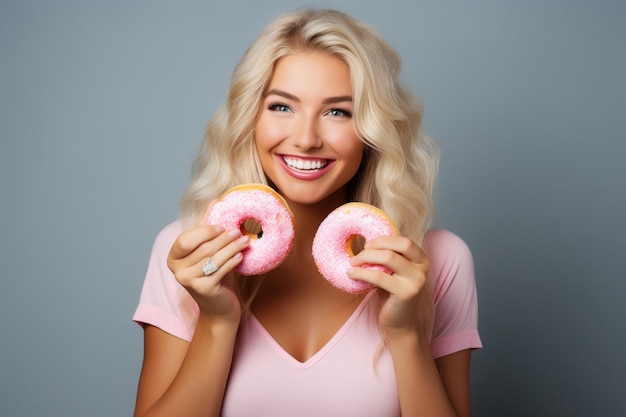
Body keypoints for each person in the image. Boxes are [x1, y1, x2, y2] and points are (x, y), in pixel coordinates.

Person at [132, 8, 482, 417]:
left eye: (338, 111)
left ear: (372, 130)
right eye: (282, 107)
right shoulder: (190, 255)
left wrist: (405, 332)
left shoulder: (436, 263)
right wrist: (216, 321)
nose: (305, 138)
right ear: (251, 118)